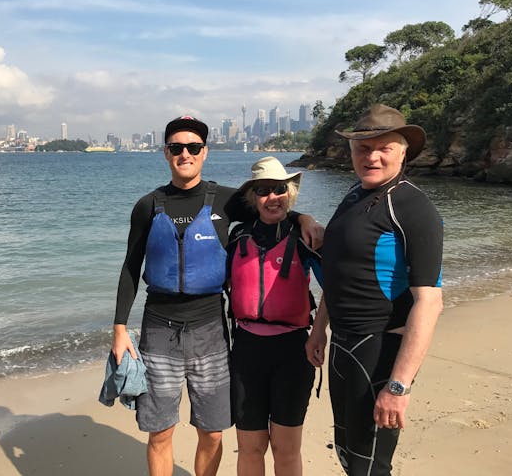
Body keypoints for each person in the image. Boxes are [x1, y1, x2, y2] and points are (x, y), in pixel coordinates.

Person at [112, 116, 322, 476]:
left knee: (211, 431)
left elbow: (272, 207)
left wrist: (304, 218)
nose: (185, 154)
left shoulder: (226, 201)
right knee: (159, 432)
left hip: (210, 329)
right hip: (158, 329)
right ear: (166, 153)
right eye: (177, 147)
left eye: (193, 147)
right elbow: (131, 267)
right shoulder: (147, 205)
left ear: (205, 152)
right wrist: (119, 329)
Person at [306, 104, 444, 476]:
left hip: (381, 350)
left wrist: (399, 386)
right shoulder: (354, 196)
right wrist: (320, 328)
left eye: (384, 147)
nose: (372, 156)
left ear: (403, 151)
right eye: (363, 148)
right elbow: (338, 271)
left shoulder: (413, 206)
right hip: (343, 344)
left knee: (371, 464)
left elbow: (429, 301)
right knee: (349, 452)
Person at [226, 156, 324, 476]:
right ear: (253, 198)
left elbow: (336, 290)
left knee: (286, 448)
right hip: (246, 352)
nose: (273, 198)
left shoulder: (305, 237)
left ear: (289, 193)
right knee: (251, 448)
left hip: (293, 353)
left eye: (279, 190)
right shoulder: (237, 237)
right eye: (264, 191)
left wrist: (319, 332)